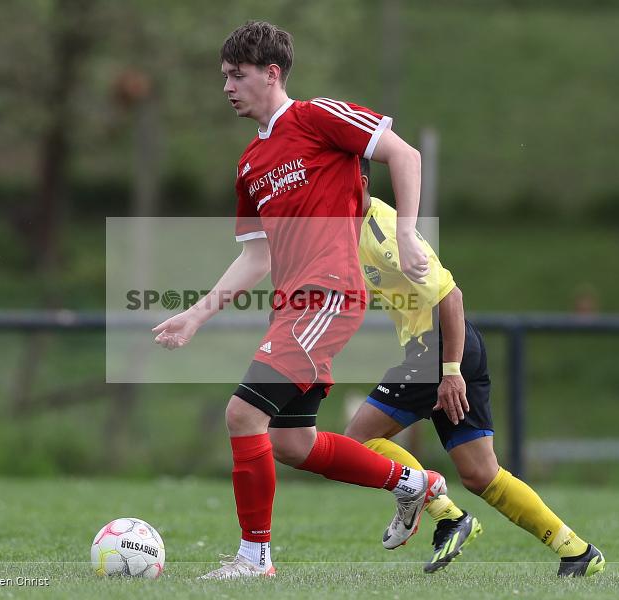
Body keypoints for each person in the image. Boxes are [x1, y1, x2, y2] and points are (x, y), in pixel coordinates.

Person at [152, 21, 447, 579]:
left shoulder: (317, 117)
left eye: (237, 75)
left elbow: (404, 155)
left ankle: (254, 558)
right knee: (292, 443)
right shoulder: (250, 163)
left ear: (272, 73)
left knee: (243, 414)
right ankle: (415, 483)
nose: (227, 87)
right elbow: (256, 257)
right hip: (292, 306)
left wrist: (408, 233)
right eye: (223, 77)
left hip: (329, 294)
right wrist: (196, 315)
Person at [345, 158, 606, 577]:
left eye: (330, 180)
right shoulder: (349, 228)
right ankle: (576, 551)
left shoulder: (384, 232)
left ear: (359, 183)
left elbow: (451, 296)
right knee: (481, 474)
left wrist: (450, 371)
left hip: (437, 351)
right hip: (456, 347)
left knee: (357, 441)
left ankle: (444, 511)